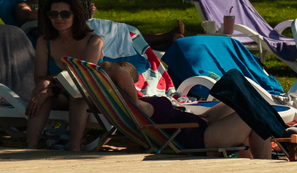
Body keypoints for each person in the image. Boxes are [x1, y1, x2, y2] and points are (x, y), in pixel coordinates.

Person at [100, 61, 272, 159]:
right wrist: (101, 68)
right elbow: (119, 71)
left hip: (198, 125)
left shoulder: (134, 104)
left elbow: (119, 72)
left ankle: (248, 161)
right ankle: (265, 167)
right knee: (254, 116)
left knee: (239, 102)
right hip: (199, 138)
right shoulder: (137, 106)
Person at [12, 0, 186, 50]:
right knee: (116, 33)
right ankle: (164, 40)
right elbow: (25, 16)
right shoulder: (22, 5)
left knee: (119, 31)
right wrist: (60, 13)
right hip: (58, 34)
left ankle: (163, 42)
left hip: (73, 30)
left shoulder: (54, 5)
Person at [26, 0, 104, 151]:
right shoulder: (44, 41)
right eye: (53, 14)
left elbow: (82, 77)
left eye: (65, 14)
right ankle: (30, 147)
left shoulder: (94, 41)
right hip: (59, 95)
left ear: (76, 16)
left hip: (89, 96)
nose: (58, 18)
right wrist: (55, 84)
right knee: (42, 84)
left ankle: (74, 148)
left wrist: (50, 89)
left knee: (78, 92)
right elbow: (39, 78)